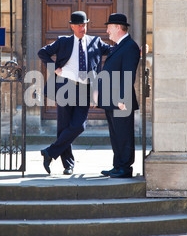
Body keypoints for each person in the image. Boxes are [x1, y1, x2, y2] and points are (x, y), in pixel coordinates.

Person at [38, 11, 111, 175]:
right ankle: (68, 165)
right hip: (65, 87)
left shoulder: (95, 41)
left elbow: (113, 50)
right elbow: (43, 52)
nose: (82, 28)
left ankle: (49, 152)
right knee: (63, 126)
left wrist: (135, 50)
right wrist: (53, 68)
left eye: (84, 24)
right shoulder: (63, 41)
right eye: (79, 25)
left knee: (79, 125)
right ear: (72, 26)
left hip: (85, 88)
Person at [98, 13, 140, 178]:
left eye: (108, 27)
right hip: (111, 99)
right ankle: (118, 166)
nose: (107, 31)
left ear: (117, 27)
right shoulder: (120, 45)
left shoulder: (129, 46)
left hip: (121, 100)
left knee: (123, 134)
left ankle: (125, 168)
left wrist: (122, 99)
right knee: (116, 134)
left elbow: (128, 74)